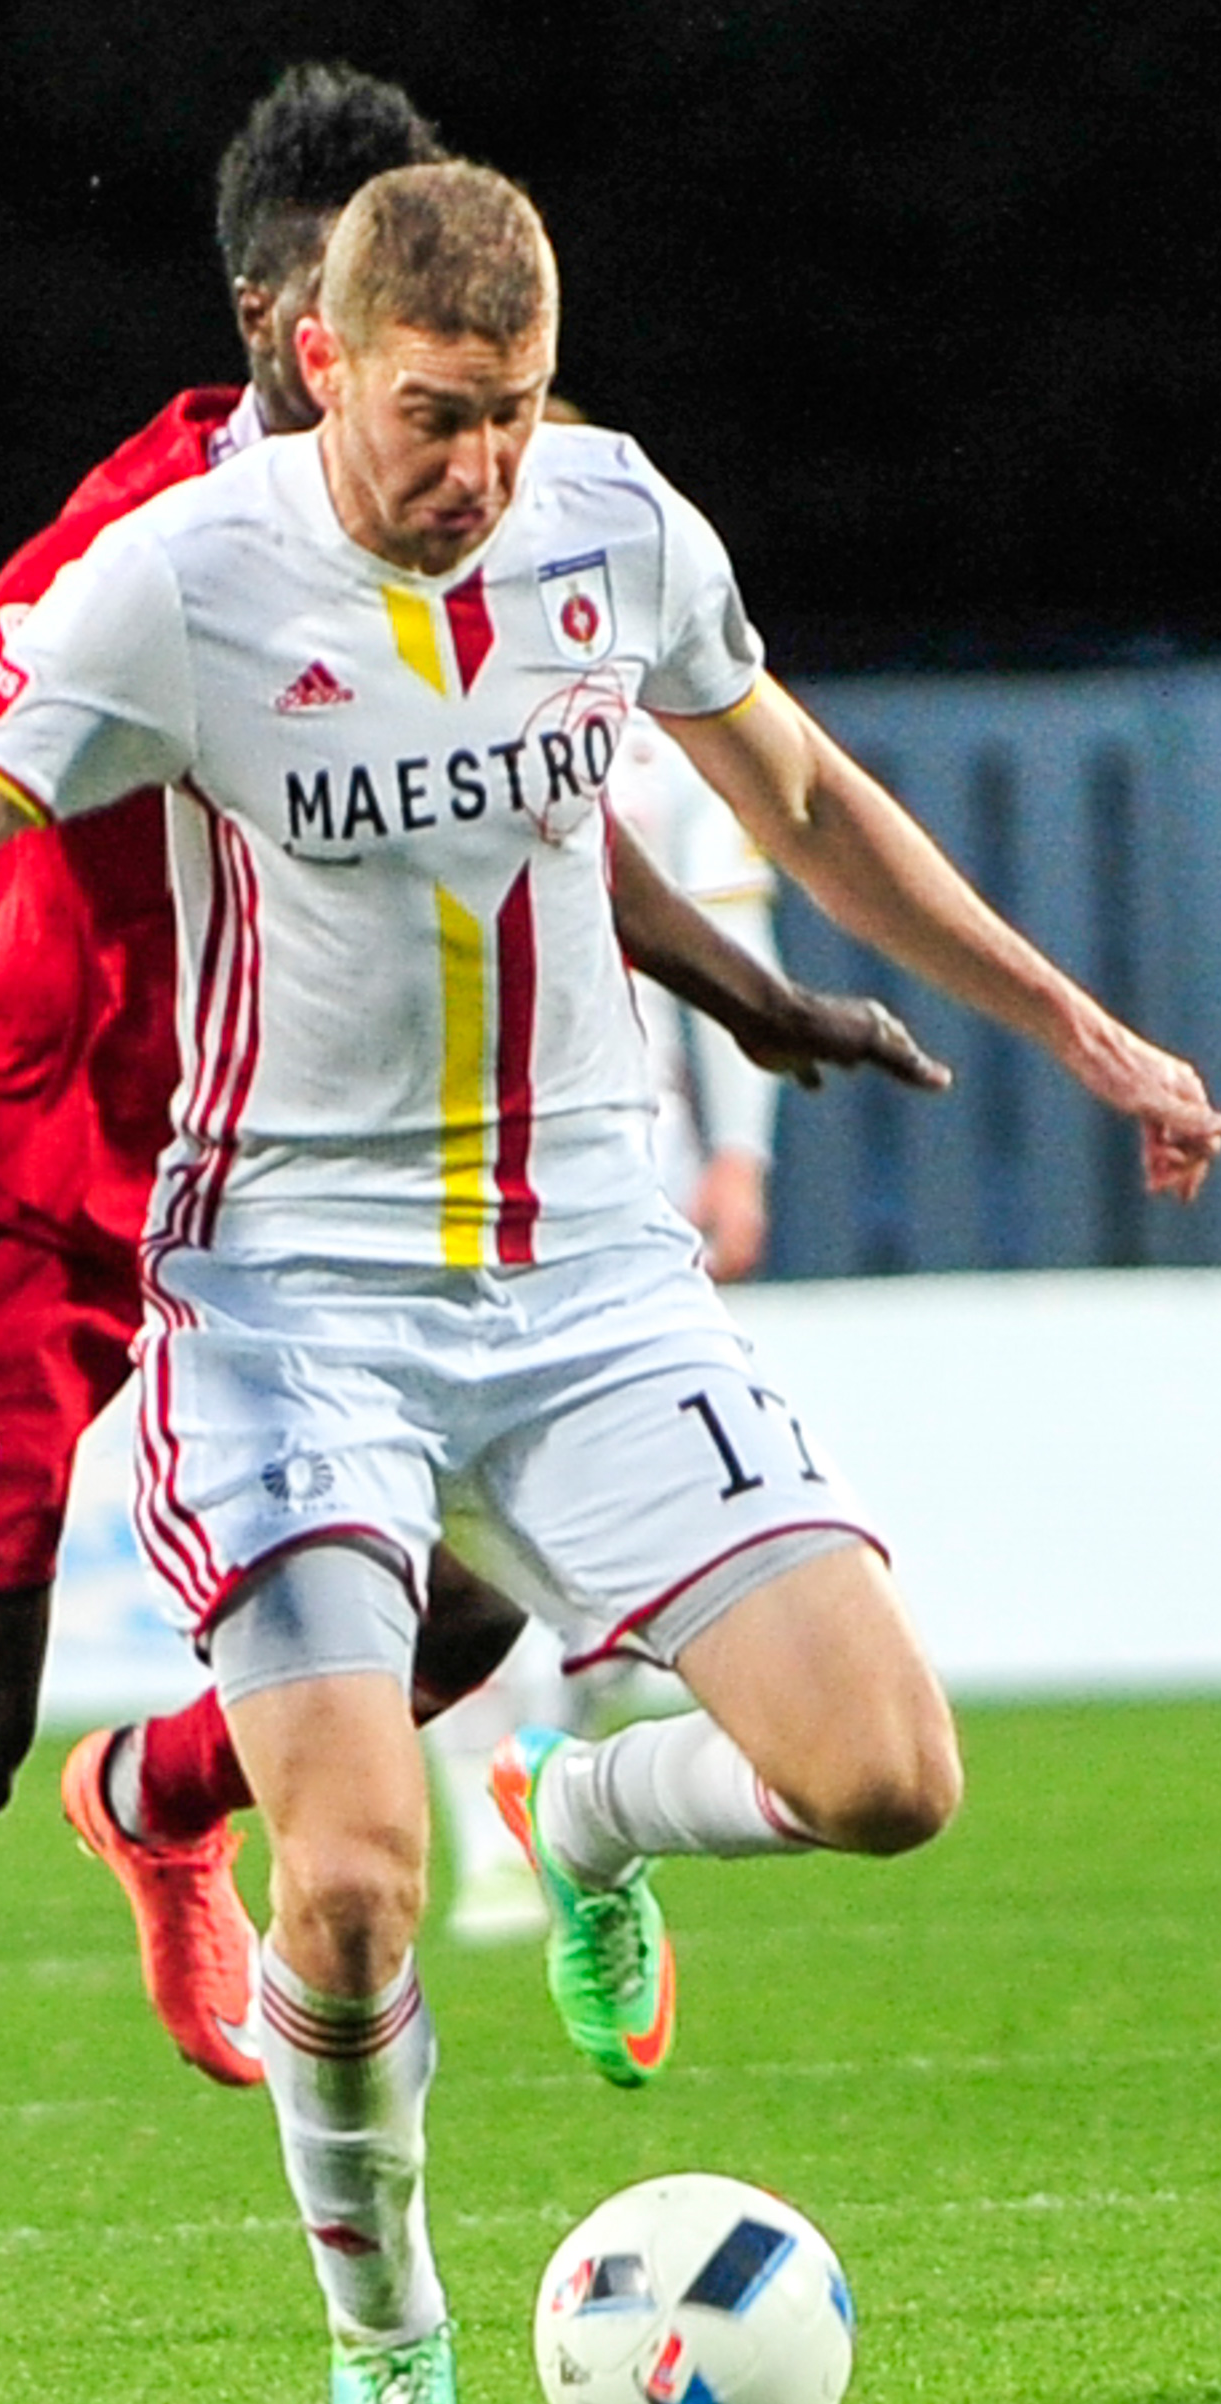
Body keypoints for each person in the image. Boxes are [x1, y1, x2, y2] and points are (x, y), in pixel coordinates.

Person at [0, 75, 943, 2404]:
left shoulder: (478, 529)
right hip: (2, 1170)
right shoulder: (161, 535)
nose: (448, 411)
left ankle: (164, 1800)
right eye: (369, 329)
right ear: (283, 319)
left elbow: (527, 810)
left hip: (265, 1210)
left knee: (457, 1625)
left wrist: (743, 995)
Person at [0, 160, 1221, 2404]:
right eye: (436, 415)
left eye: (515, 412)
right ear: (322, 360)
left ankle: (588, 1803)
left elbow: (801, 793)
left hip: (591, 1284)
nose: (480, 470)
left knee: (886, 1782)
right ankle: (392, 2340)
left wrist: (1075, 1025)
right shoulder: (181, 580)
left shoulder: (613, 524)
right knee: (347, 1882)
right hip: (285, 1303)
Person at [432, 708, 783, 1943]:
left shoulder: (666, 740)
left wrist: (739, 1155)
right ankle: (489, 1840)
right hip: (429, 1184)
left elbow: (730, 944)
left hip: (629, 1172)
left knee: (624, 1571)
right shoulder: (373, 696)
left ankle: (557, 1768)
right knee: (454, 1527)